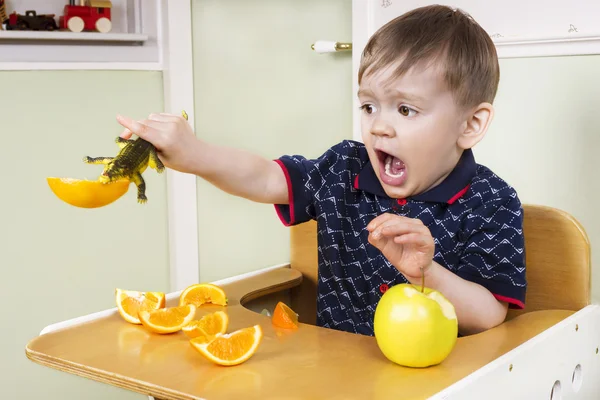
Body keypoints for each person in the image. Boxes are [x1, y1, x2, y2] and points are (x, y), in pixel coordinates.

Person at [116, 5, 526, 337]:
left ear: (470, 125)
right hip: (332, 377)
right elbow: (263, 177)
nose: (378, 125)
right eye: (369, 106)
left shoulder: (491, 201)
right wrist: (193, 154)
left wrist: (426, 273)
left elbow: (490, 313)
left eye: (405, 109)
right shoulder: (343, 169)